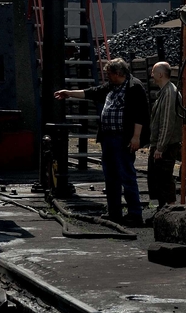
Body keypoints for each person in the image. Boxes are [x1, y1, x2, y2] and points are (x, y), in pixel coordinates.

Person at [55, 57, 149, 226]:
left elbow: (140, 114)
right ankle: (114, 212)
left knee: (127, 175)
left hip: (123, 138)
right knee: (111, 176)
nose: (107, 76)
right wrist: (69, 93)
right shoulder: (111, 87)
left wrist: (136, 137)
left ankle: (135, 214)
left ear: (118, 73)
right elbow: (91, 92)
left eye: (109, 73)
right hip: (108, 137)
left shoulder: (134, 87)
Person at [147, 61, 182, 212]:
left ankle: (168, 211)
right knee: (158, 178)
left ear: (160, 74)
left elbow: (167, 121)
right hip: (162, 143)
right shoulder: (165, 92)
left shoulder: (169, 93)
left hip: (166, 145)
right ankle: (163, 210)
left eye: (153, 72)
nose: (151, 76)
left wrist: (160, 147)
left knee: (164, 177)